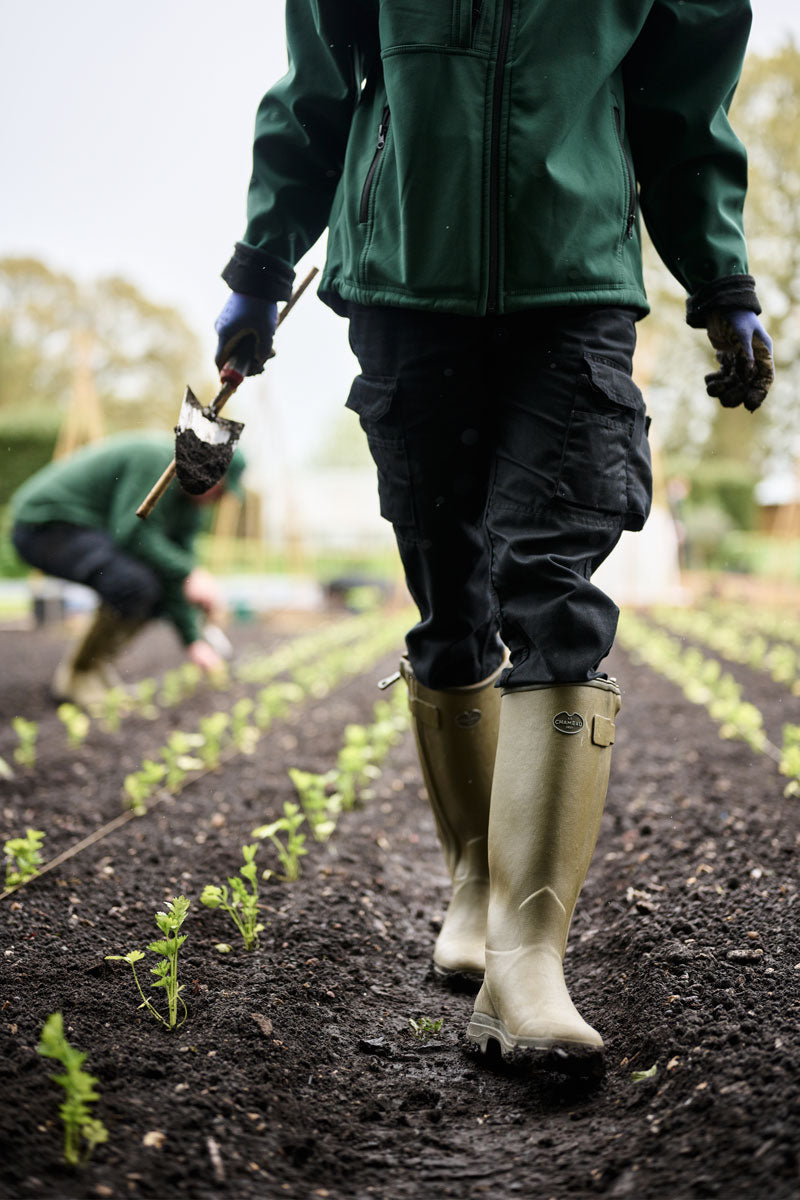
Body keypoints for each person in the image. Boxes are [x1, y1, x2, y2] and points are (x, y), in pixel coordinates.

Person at [213, 1, 773, 1069]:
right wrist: (256, 265)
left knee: (554, 590)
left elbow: (681, 113)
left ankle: (526, 958)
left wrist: (720, 279)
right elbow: (316, 94)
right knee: (448, 603)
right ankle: (471, 877)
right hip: (400, 286)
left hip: (572, 293)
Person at [9, 432, 245, 708]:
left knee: (154, 594)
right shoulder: (156, 463)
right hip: (46, 524)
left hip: (86, 531)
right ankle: (78, 675)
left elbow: (174, 575)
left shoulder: (190, 508)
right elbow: (131, 533)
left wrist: (194, 642)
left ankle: (95, 669)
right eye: (219, 488)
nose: (217, 499)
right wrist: (189, 572)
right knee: (133, 584)